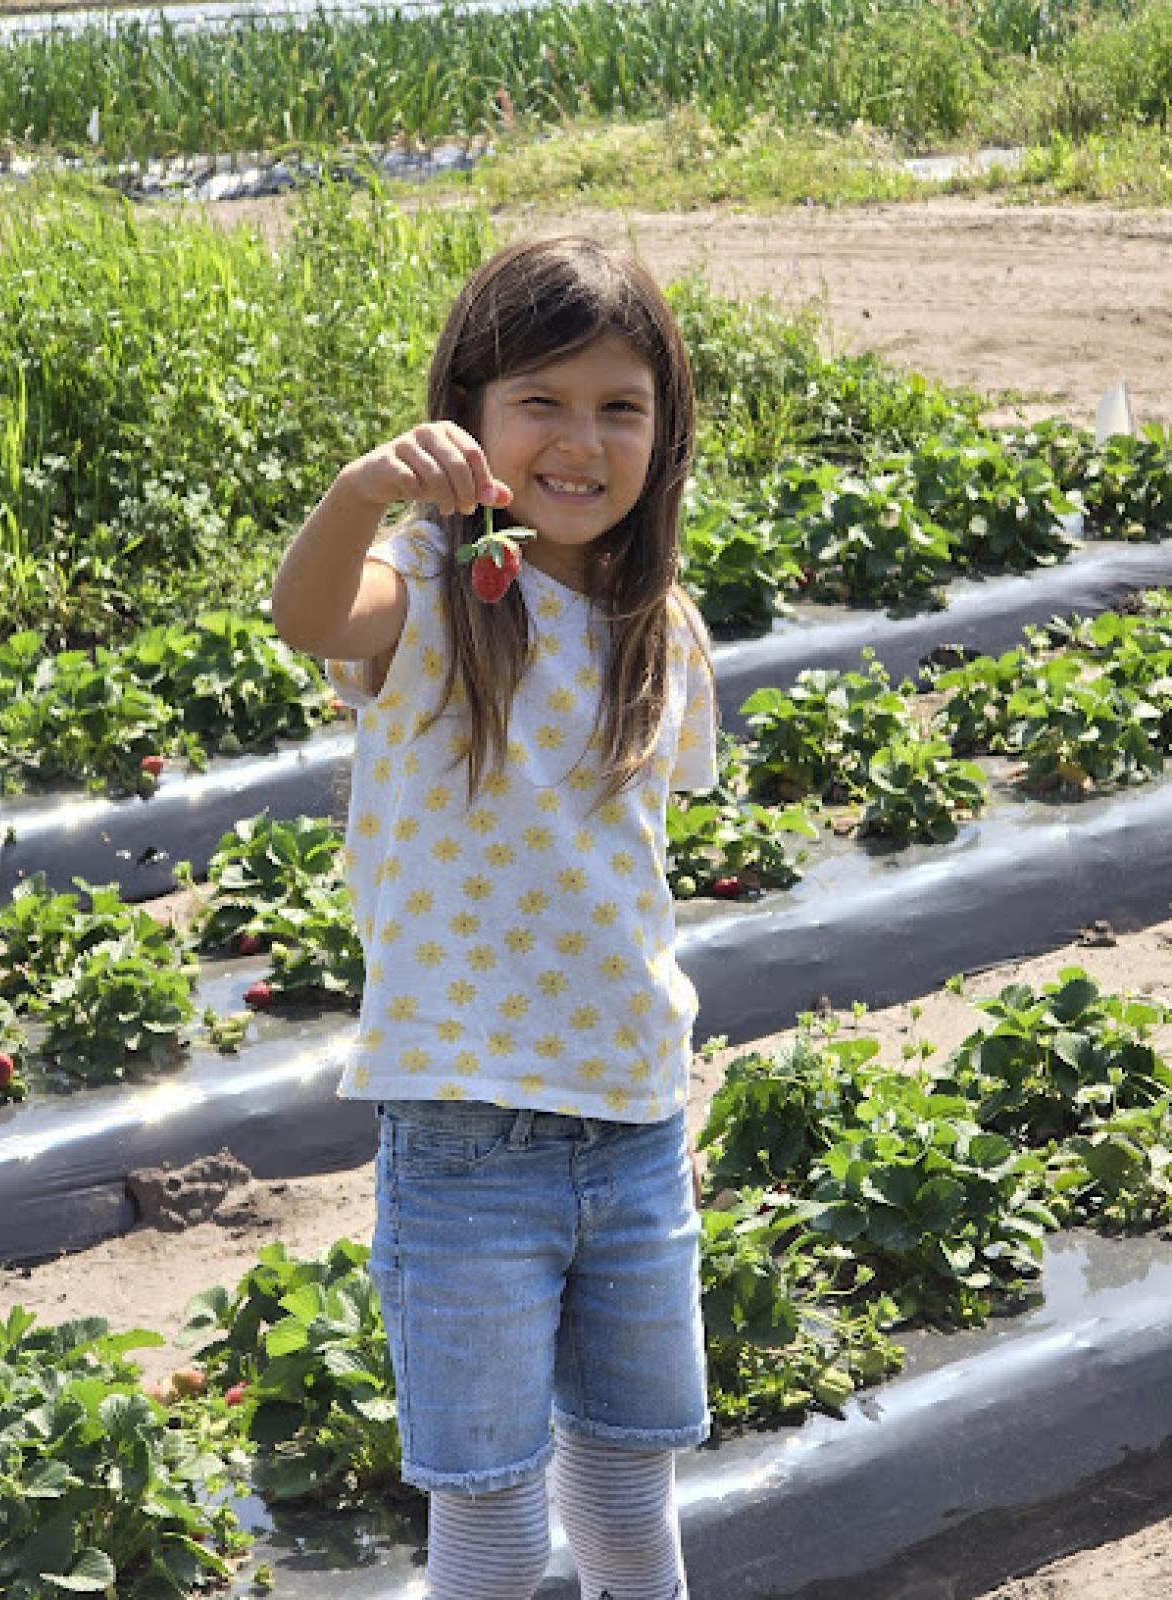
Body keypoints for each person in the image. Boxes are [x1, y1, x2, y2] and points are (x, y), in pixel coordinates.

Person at [271, 235, 720, 1600]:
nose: (580, 441)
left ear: (664, 431)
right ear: (468, 411)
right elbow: (305, 616)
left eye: (619, 407)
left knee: (635, 1510)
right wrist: (362, 494)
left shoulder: (665, 627)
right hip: (468, 1140)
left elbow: (634, 853)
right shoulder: (425, 593)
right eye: (542, 403)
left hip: (636, 1125)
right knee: (498, 1527)